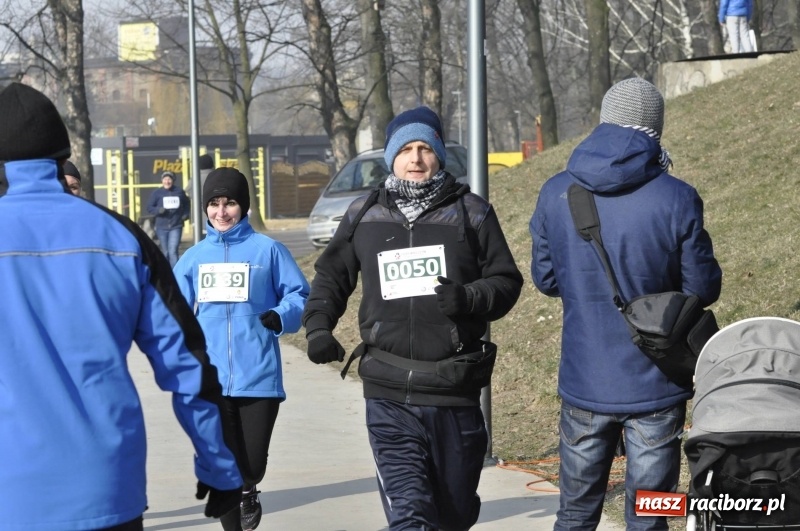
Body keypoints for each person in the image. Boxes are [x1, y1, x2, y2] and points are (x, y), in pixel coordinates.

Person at [0, 82, 243, 530]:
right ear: (61, 155)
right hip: (106, 488)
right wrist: (220, 466)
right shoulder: (121, 238)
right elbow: (187, 363)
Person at [302, 106, 523, 530]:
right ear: (392, 156)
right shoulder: (365, 215)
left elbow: (506, 281)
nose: (416, 159)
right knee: (410, 515)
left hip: (452, 391)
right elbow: (331, 277)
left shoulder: (472, 213)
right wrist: (318, 328)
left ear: (439, 154)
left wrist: (469, 298)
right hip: (387, 391)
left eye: (425, 148)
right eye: (406, 149)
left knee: (453, 515)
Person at [529, 77, 722, 530]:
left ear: (603, 121)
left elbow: (547, 278)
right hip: (656, 382)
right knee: (650, 515)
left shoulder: (556, 192)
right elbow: (703, 288)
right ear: (655, 128)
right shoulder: (677, 196)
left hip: (584, 378)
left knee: (574, 514)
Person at [174, 167, 310, 531]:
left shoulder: (268, 250)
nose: (221, 211)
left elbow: (300, 294)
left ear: (244, 206)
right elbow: (172, 309)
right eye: (214, 204)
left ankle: (250, 486)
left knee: (251, 465)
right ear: (205, 208)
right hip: (212, 378)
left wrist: (281, 315)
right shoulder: (193, 258)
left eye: (230, 203)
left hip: (258, 373)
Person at [147, 170, 190, 266]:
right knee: (165, 252)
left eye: (169, 179)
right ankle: (165, 274)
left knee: (173, 251)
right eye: (165, 179)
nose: (167, 181)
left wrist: (185, 215)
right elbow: (149, 207)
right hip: (161, 227)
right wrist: (159, 210)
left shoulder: (179, 192)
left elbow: (187, 204)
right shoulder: (157, 193)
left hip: (176, 226)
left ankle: (176, 275)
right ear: (162, 181)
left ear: (173, 180)